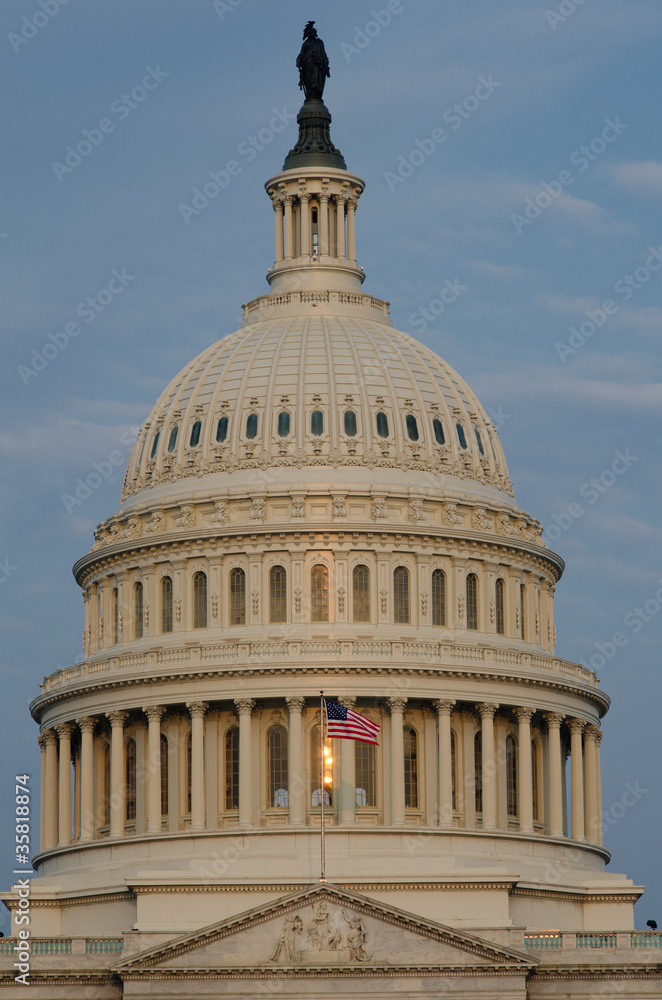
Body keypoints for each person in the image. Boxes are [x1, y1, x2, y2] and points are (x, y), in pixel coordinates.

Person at [296, 21, 330, 101]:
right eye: (311, 32)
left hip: (318, 64)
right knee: (309, 80)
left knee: (317, 80)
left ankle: (317, 96)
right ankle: (310, 95)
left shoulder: (319, 43)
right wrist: (298, 60)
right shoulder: (305, 44)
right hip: (308, 64)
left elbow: (323, 53)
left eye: (314, 32)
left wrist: (325, 63)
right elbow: (301, 54)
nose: (312, 33)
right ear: (308, 33)